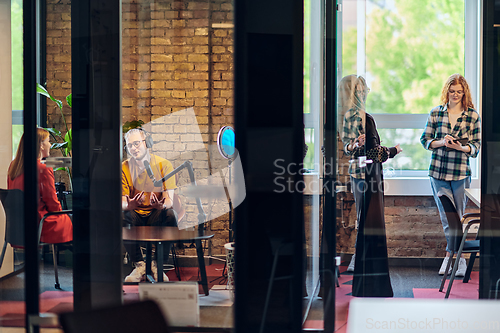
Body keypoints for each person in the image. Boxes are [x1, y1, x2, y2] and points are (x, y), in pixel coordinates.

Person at [342, 76, 402, 297]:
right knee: (364, 221)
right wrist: (393, 150)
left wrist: (382, 151)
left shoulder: (367, 117)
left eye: (364, 88)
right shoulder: (351, 116)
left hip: (372, 176)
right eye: (358, 89)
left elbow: (374, 152)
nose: (362, 92)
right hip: (362, 176)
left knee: (368, 222)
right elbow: (351, 148)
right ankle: (361, 268)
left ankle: (362, 267)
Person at [420, 73, 481, 277]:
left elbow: (476, 147)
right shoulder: (436, 113)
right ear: (447, 91)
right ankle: (453, 257)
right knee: (448, 218)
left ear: (464, 93)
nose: (455, 95)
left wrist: (460, 147)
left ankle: (455, 257)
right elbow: (425, 140)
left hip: (460, 172)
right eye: (452, 91)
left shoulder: (472, 116)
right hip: (438, 172)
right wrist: (442, 142)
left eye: (459, 92)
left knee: (460, 216)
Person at [122, 128, 178, 282]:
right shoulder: (124, 167)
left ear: (146, 143)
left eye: (137, 143)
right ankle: (139, 265)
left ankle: (157, 265)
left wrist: (161, 205)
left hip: (155, 213)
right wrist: (129, 205)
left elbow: (170, 200)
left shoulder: (164, 165)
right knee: (122, 215)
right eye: (130, 145)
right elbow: (121, 201)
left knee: (170, 215)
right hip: (135, 214)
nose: (134, 148)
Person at [7, 128, 73, 244]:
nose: (50, 144)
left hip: (17, 226)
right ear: (41, 145)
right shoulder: (42, 168)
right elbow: (52, 203)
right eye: (48, 141)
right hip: (39, 224)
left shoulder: (14, 166)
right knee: (73, 219)